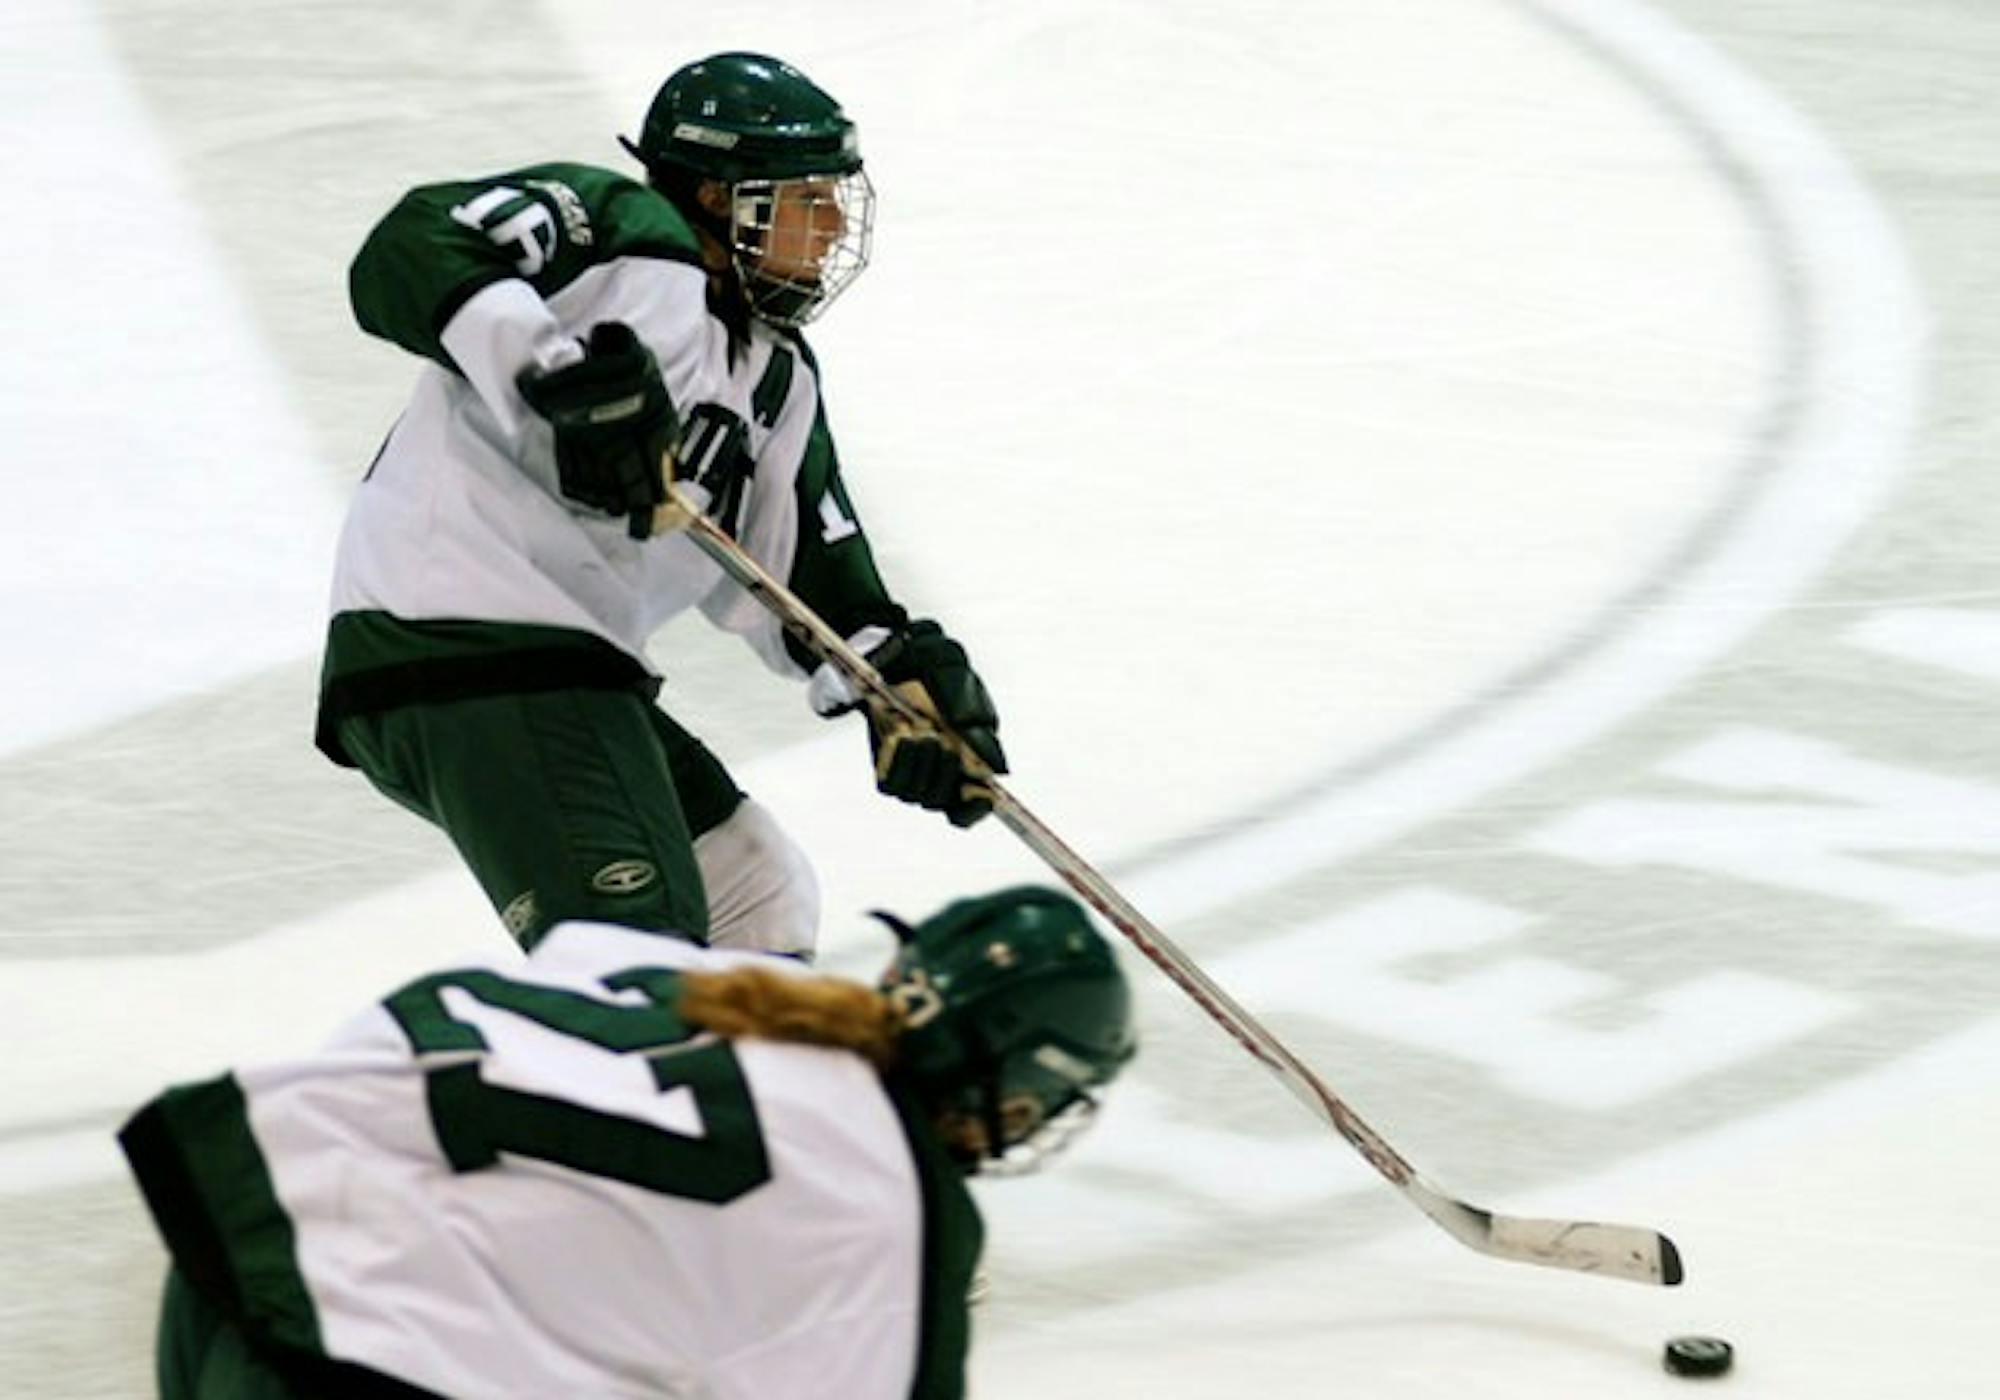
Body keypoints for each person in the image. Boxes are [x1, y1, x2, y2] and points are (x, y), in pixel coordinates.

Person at [314, 51, 1007, 959]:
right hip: (460, 636)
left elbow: (807, 579)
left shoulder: (775, 374)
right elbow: (409, 244)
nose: (834, 223)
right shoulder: (622, 234)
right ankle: (585, 1095)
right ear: (723, 199)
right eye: (807, 199)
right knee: (628, 955)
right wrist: (547, 374)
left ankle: (738, 1098)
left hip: (558, 666)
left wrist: (894, 688)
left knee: (755, 890)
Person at [119, 885, 1136, 1400]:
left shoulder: (725, 986)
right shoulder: (899, 1215)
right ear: (1019, 1079)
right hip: (369, 1362)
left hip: (235, 1226)